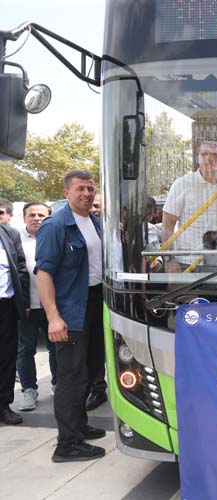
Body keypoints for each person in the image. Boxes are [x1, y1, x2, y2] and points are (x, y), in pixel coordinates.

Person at [36, 169, 107, 462]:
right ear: (67, 193)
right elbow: (43, 274)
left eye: (90, 188)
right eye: (80, 189)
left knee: (90, 369)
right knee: (71, 375)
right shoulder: (55, 226)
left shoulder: (95, 222)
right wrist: (54, 317)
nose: (87, 194)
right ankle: (67, 444)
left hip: (95, 303)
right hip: (71, 310)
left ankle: (78, 425)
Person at [16, 202, 58, 412]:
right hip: (27, 306)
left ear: (49, 217)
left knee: (56, 348)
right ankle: (29, 389)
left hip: (52, 305)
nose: (36, 218)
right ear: (24, 217)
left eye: (41, 215)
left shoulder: (54, 237)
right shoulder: (15, 240)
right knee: (25, 350)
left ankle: (58, 384)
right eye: (31, 215)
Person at [162, 140, 217, 271]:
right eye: (204, 154)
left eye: (214, 154)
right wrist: (169, 260)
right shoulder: (182, 184)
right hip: (188, 263)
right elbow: (167, 226)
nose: (209, 158)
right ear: (197, 156)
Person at [0, 219, 29, 425]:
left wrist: (24, 301)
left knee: (7, 358)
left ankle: (3, 405)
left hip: (6, 305)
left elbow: (21, 268)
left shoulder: (9, 233)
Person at [85, 193, 108, 411]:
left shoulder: (114, 229)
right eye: (92, 206)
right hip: (91, 295)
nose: (94, 209)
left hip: (117, 294)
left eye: (98, 205)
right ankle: (98, 388)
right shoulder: (85, 228)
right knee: (94, 346)